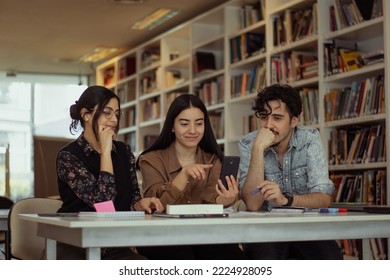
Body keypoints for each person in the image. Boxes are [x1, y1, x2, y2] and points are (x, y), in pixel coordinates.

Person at [56, 85, 163, 260]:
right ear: (86, 115)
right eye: (107, 113)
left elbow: (131, 199)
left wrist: (140, 204)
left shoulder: (124, 151)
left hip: (113, 243)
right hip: (77, 244)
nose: (114, 119)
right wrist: (105, 153)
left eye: (117, 114)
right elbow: (102, 202)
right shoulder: (68, 156)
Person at [136, 94, 247, 260]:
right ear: (172, 126)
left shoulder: (213, 159)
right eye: (184, 123)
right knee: (184, 257)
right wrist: (184, 174)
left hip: (205, 235)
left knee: (236, 259)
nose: (193, 131)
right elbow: (156, 206)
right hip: (161, 236)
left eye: (199, 123)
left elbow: (212, 199)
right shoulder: (150, 160)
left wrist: (225, 199)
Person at [238, 84, 342, 260]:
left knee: (329, 258)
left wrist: (286, 200)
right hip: (265, 232)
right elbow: (253, 204)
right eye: (264, 117)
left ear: (293, 121)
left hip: (307, 228)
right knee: (264, 260)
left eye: (277, 118)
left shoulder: (309, 140)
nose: (268, 125)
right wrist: (258, 148)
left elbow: (324, 198)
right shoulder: (249, 144)